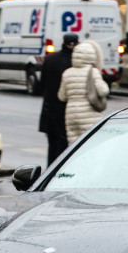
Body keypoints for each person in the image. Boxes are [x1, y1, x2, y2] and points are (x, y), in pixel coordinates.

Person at [58, 39, 109, 144]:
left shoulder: (67, 73)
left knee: (74, 146)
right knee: (91, 144)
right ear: (91, 55)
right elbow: (103, 91)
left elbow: (62, 97)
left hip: (71, 115)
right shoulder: (93, 72)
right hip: (89, 113)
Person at [38, 33, 79, 165]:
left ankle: (50, 175)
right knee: (67, 150)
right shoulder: (76, 63)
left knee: (53, 148)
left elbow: (41, 85)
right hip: (67, 111)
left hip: (50, 111)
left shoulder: (50, 59)